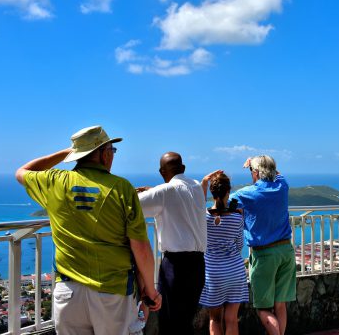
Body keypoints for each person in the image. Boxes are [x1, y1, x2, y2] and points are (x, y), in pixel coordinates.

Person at [15, 125, 161, 335]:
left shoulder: (55, 182)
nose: (112, 155)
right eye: (111, 150)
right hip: (112, 291)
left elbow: (22, 172)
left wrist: (67, 153)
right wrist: (151, 290)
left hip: (68, 292)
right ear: (102, 153)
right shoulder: (121, 188)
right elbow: (141, 247)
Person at [136, 152, 210, 334]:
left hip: (175, 267)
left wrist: (149, 192)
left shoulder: (164, 192)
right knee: (185, 320)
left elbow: (131, 205)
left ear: (161, 172)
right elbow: (178, 197)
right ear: (183, 168)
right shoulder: (196, 188)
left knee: (170, 322)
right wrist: (154, 191)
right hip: (198, 265)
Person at [229, 155, 296, 335]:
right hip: (286, 251)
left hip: (264, 254)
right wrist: (258, 165)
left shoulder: (247, 194)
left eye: (252, 171)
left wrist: (251, 165)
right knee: (280, 305)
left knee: (263, 309)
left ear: (256, 173)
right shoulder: (282, 186)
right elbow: (279, 173)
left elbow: (226, 205)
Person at [199, 172, 249, 335]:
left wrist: (204, 183)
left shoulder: (202, 217)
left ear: (213, 193)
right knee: (232, 319)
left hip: (213, 273)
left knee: (215, 319)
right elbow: (240, 245)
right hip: (235, 272)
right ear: (228, 192)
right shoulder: (237, 217)